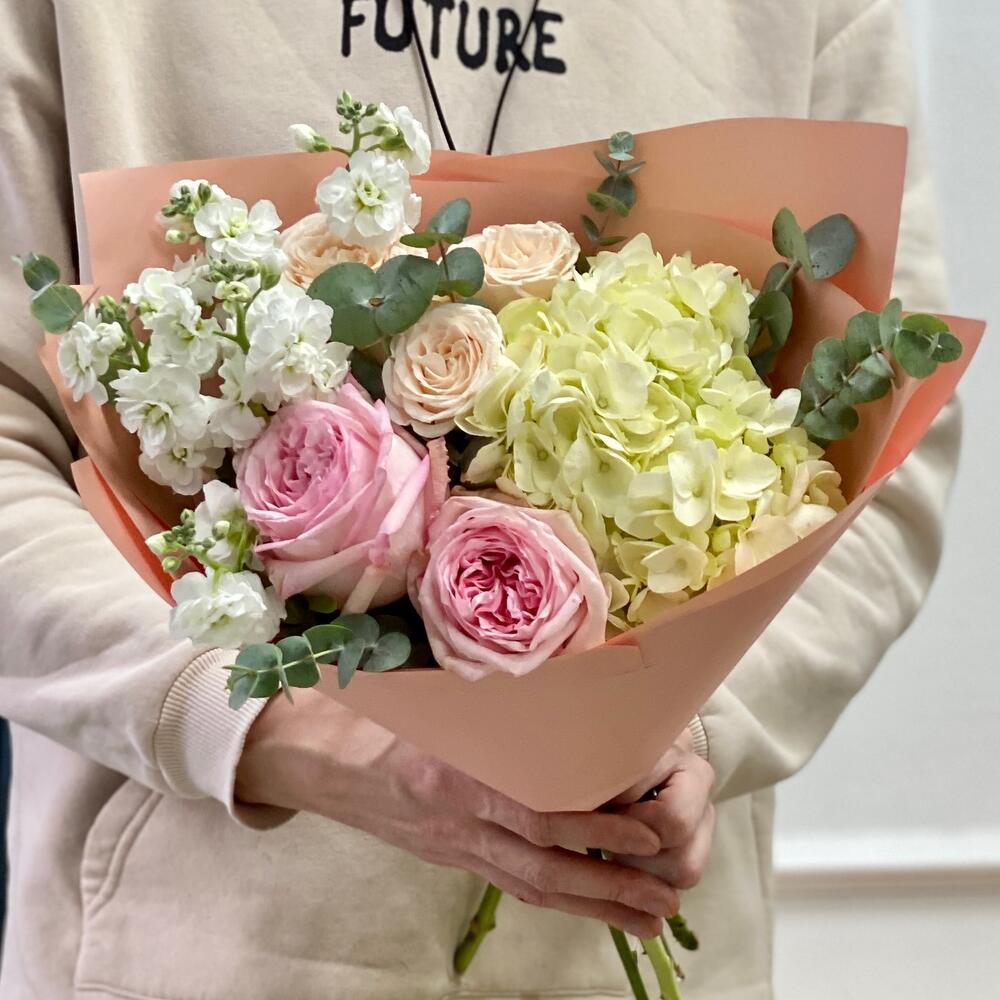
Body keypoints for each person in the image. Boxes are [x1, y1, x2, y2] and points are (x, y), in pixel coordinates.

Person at [0, 1, 959, 998]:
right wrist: (270, 726)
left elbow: (890, 443)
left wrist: (667, 733)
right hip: (202, 947)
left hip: (621, 931)